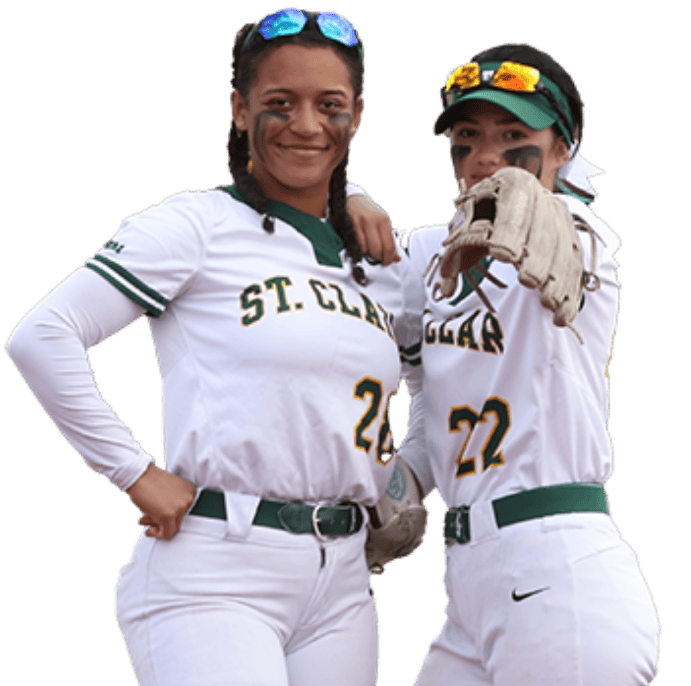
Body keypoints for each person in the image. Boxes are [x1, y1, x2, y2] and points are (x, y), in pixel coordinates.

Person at [4, 9, 420, 686]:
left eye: (330, 105)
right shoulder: (196, 223)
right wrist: (134, 473)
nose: (307, 124)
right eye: (278, 103)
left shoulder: (379, 261)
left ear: (358, 116)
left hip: (343, 577)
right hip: (218, 567)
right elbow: (43, 336)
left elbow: (437, 373)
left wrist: (409, 474)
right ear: (238, 109)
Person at [349, 42, 660, 685]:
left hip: (559, 571)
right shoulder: (431, 253)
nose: (486, 155)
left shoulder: (582, 233)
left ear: (562, 147)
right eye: (468, 136)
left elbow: (567, 248)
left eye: (513, 134)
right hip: (470, 583)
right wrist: (341, 196)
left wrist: (537, 199)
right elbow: (430, 404)